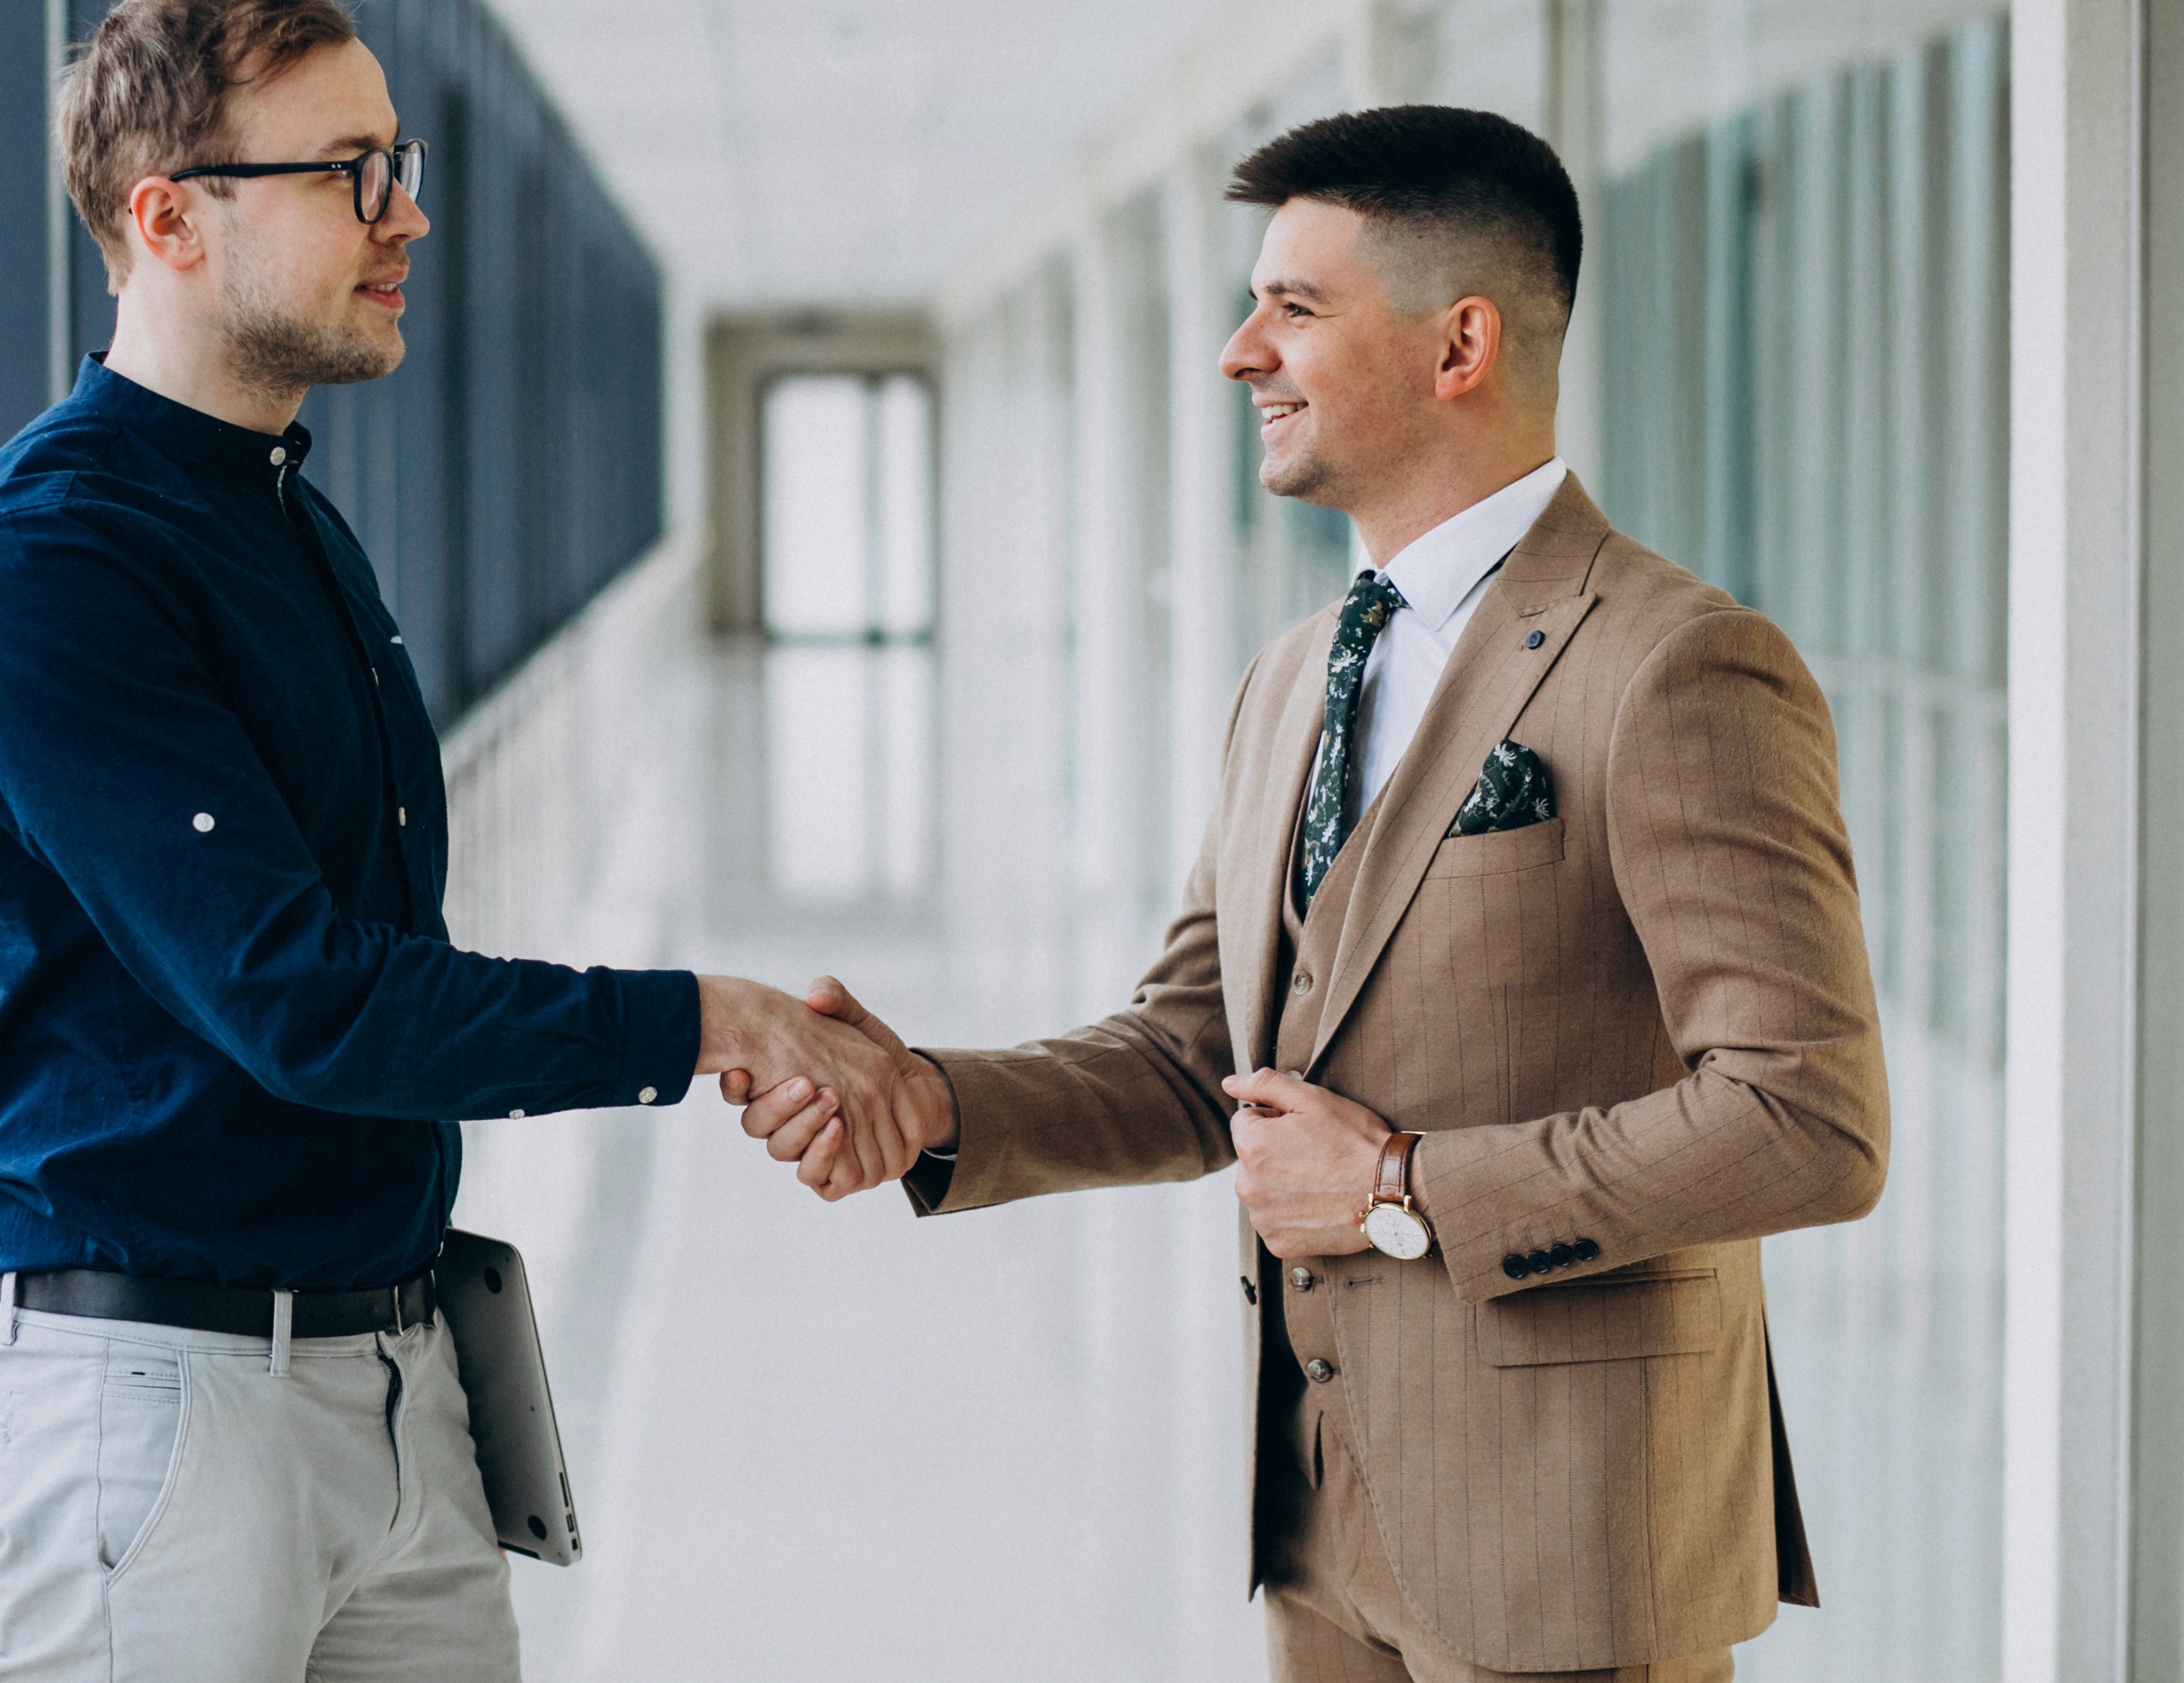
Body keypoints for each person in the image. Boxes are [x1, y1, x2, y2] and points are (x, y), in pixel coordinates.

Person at [731, 105, 1889, 1681]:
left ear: (1458, 341)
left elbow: (1808, 1118)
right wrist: (938, 1101)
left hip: (1568, 1549)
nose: (1237, 354)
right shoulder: (1290, 678)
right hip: (1317, 1532)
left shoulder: (1678, 663)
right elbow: (1196, 1048)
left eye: (1293, 307)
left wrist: (1406, 1184)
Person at [0, 0, 921, 1682]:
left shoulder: (289, 515)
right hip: (154, 1425)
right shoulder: (44, 564)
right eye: (349, 170)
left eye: (402, 160)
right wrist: (700, 1020)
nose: (408, 217)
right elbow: (307, 993)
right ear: (172, 219)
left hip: (390, 1367)